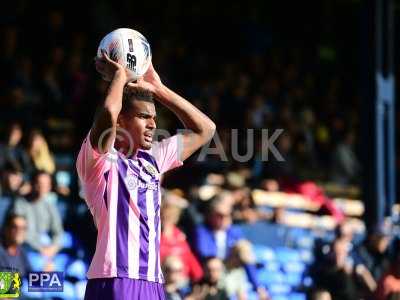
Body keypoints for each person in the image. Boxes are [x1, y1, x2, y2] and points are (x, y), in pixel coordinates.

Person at [77, 50, 215, 300]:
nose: (153, 124)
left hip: (153, 282)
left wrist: (159, 89)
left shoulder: (155, 158)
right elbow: (108, 112)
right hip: (115, 279)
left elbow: (205, 129)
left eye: (154, 118)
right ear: (120, 123)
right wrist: (119, 76)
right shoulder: (97, 161)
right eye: (143, 117)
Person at [12, 171, 64, 258]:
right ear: (32, 184)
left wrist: (53, 248)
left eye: (46, 184)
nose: (42, 187)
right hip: (27, 249)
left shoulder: (50, 205)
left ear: (50, 186)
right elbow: (21, 233)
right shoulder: (20, 204)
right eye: (39, 183)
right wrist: (41, 249)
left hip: (48, 248)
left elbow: (58, 230)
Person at [160, 192, 203, 282]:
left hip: (183, 283)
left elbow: (195, 269)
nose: (168, 216)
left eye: (172, 214)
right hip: (162, 282)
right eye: (165, 214)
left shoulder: (180, 237)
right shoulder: (153, 236)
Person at [0, 213, 31, 277]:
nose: (19, 231)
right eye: (15, 227)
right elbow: (3, 284)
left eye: (23, 228)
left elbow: (31, 277)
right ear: (6, 229)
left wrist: (45, 275)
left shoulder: (21, 251)